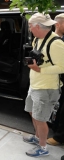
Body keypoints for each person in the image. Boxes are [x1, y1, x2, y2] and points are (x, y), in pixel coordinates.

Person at [23, 13, 64, 157]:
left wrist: (40, 69)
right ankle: (37, 137)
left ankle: (43, 147)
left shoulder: (56, 43)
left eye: (30, 26)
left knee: (40, 119)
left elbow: (62, 66)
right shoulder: (38, 39)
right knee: (32, 112)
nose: (29, 28)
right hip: (35, 84)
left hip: (46, 88)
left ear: (37, 26)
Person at [46, 13, 64, 146]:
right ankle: (56, 130)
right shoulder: (50, 39)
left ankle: (59, 137)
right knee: (58, 107)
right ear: (58, 24)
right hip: (54, 79)